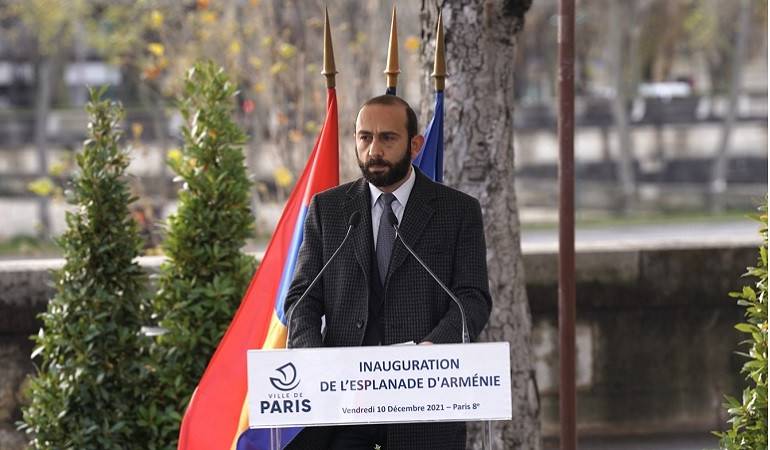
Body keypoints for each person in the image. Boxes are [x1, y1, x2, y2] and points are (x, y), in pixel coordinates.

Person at [285, 95, 492, 450]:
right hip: (343, 413)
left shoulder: (458, 212)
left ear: (415, 144)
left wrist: (429, 353)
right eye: (364, 138)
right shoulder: (329, 209)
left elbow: (472, 300)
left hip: (423, 409)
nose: (373, 150)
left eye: (387, 138)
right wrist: (316, 364)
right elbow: (299, 301)